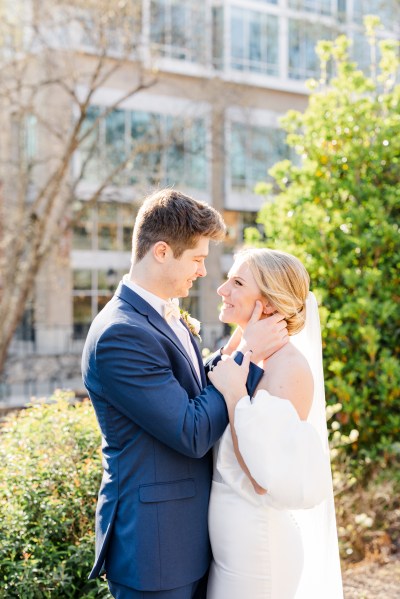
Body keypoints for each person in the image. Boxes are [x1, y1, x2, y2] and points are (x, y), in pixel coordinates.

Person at [81, 189, 288, 599]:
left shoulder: (163, 313)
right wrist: (250, 353)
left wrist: (236, 347)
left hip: (189, 535)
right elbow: (190, 430)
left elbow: (191, 387)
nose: (202, 272)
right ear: (161, 251)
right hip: (155, 547)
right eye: (196, 259)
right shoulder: (121, 334)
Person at [207, 248, 343, 599]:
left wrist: (237, 396)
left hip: (258, 547)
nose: (222, 290)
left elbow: (263, 475)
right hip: (233, 542)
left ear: (266, 304)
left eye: (237, 282)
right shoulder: (248, 357)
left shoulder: (289, 369)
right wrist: (239, 347)